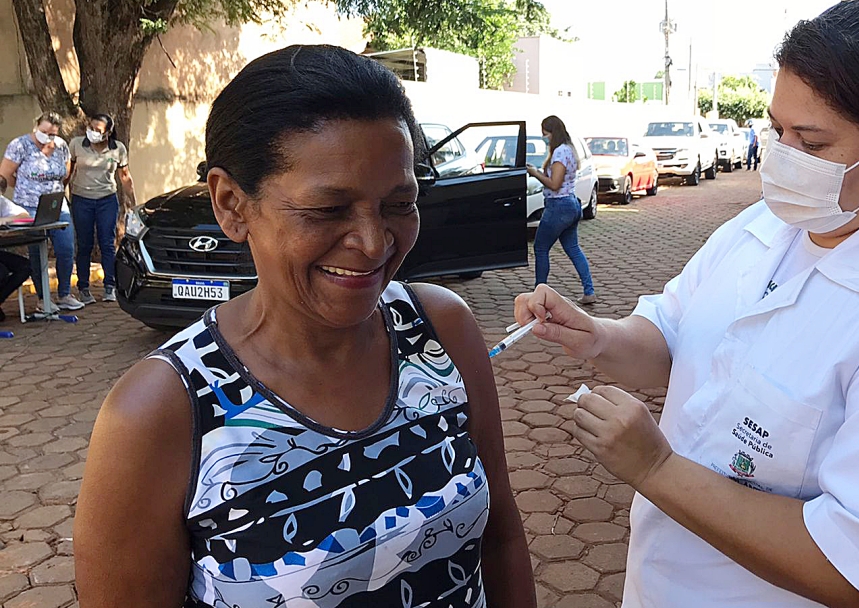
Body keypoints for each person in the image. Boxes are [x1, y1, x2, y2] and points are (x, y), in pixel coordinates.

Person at [513, 2, 859, 606]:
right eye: (778, 131)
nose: (782, 158)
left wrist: (656, 470)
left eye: (811, 141)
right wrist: (596, 337)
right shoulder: (762, 230)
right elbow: (673, 338)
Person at [74, 45, 534, 608]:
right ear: (231, 204)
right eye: (327, 210)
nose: (372, 243)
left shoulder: (441, 332)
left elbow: (501, 540)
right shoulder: (160, 413)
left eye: (399, 203)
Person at [0, 112, 84, 311]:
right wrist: (25, 188)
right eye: (44, 131)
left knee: (66, 248)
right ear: (35, 126)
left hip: (55, 203)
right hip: (27, 205)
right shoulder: (19, 145)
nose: (48, 136)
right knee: (37, 250)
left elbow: (65, 174)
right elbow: (5, 176)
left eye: (52, 133)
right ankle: (43, 298)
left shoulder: (61, 146)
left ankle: (64, 293)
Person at [526, 115, 596, 305]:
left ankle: (539, 294)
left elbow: (554, 184)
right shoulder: (570, 149)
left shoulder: (559, 153)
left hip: (558, 206)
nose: (544, 138)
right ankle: (589, 291)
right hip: (571, 204)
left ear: (552, 133)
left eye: (545, 134)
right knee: (573, 249)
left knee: (540, 248)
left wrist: (535, 173)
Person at [70, 113, 135, 304]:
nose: (92, 132)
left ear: (108, 133)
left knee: (107, 243)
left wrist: (132, 201)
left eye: (97, 130)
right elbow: (68, 171)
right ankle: (83, 288)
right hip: (82, 199)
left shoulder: (118, 149)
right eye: (91, 128)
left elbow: (124, 176)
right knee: (84, 244)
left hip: (107, 200)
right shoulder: (76, 145)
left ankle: (110, 286)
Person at [0, 177, 32, 323]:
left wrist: (5, 220)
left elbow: (25, 216)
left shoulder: (2, 202)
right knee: (2, 273)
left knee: (25, 266)